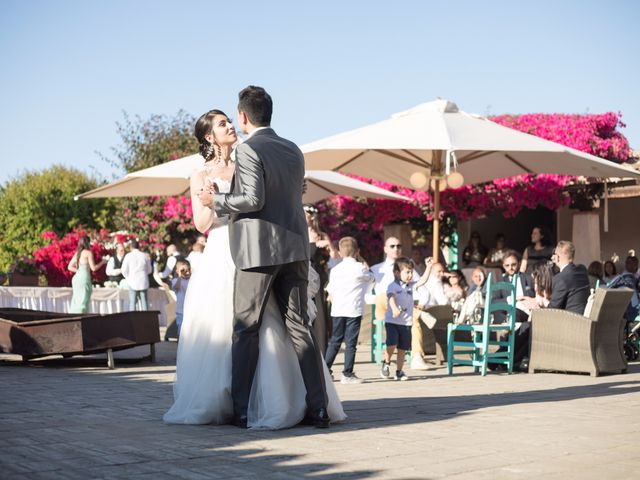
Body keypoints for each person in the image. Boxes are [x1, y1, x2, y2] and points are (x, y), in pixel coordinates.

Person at [166, 96, 344, 429]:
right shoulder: (201, 173)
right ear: (209, 138)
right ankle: (246, 401)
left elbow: (258, 197)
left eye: (230, 120)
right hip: (226, 250)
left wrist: (219, 199)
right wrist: (207, 200)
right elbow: (202, 223)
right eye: (221, 124)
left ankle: (262, 403)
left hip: (256, 251)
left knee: (260, 329)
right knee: (241, 327)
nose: (230, 125)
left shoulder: (251, 155)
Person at [324, 237, 374, 384]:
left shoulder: (335, 270)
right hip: (354, 309)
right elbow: (372, 278)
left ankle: (326, 370)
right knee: (350, 343)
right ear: (357, 251)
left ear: (339, 252)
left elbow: (330, 289)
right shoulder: (361, 269)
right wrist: (363, 262)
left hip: (338, 309)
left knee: (335, 341)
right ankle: (347, 373)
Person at [381, 257, 432, 381]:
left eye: (411, 272)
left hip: (406, 322)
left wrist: (429, 267)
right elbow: (391, 297)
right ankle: (386, 362)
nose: (410, 275)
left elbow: (423, 280)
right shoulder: (392, 286)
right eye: (407, 272)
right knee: (391, 344)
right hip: (392, 321)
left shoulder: (412, 286)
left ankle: (399, 371)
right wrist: (394, 309)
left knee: (403, 348)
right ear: (397, 273)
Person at [548, 241, 590, 314]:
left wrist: (542, 301)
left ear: (557, 257)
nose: (552, 257)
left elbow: (552, 310)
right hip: (584, 319)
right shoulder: (582, 270)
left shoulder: (560, 278)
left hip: (569, 321)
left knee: (527, 324)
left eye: (554, 254)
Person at [67, 236, 107, 314]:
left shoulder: (77, 253)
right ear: (87, 243)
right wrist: (103, 262)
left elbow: (69, 267)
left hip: (76, 278)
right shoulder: (88, 253)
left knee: (77, 300)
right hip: (84, 278)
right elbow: (93, 268)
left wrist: (79, 271)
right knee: (84, 300)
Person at [121, 239, 152, 311]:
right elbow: (149, 270)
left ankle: (132, 320)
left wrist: (128, 277)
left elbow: (124, 270)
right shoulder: (144, 256)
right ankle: (146, 319)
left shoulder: (128, 256)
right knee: (144, 302)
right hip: (143, 281)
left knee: (132, 302)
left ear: (131, 247)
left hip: (132, 281)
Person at [171, 258, 191, 337]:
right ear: (177, 271)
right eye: (182, 270)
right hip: (180, 310)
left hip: (190, 310)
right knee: (181, 331)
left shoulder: (191, 280)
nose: (185, 272)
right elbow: (177, 287)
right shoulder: (176, 280)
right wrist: (180, 275)